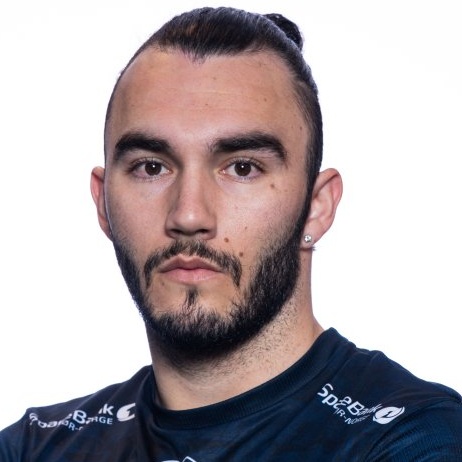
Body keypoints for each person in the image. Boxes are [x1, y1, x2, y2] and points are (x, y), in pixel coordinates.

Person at [1, 6, 461, 461]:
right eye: (151, 167)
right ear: (103, 202)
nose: (188, 215)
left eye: (242, 168)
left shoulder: (416, 441)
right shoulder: (32, 449)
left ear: (316, 207)